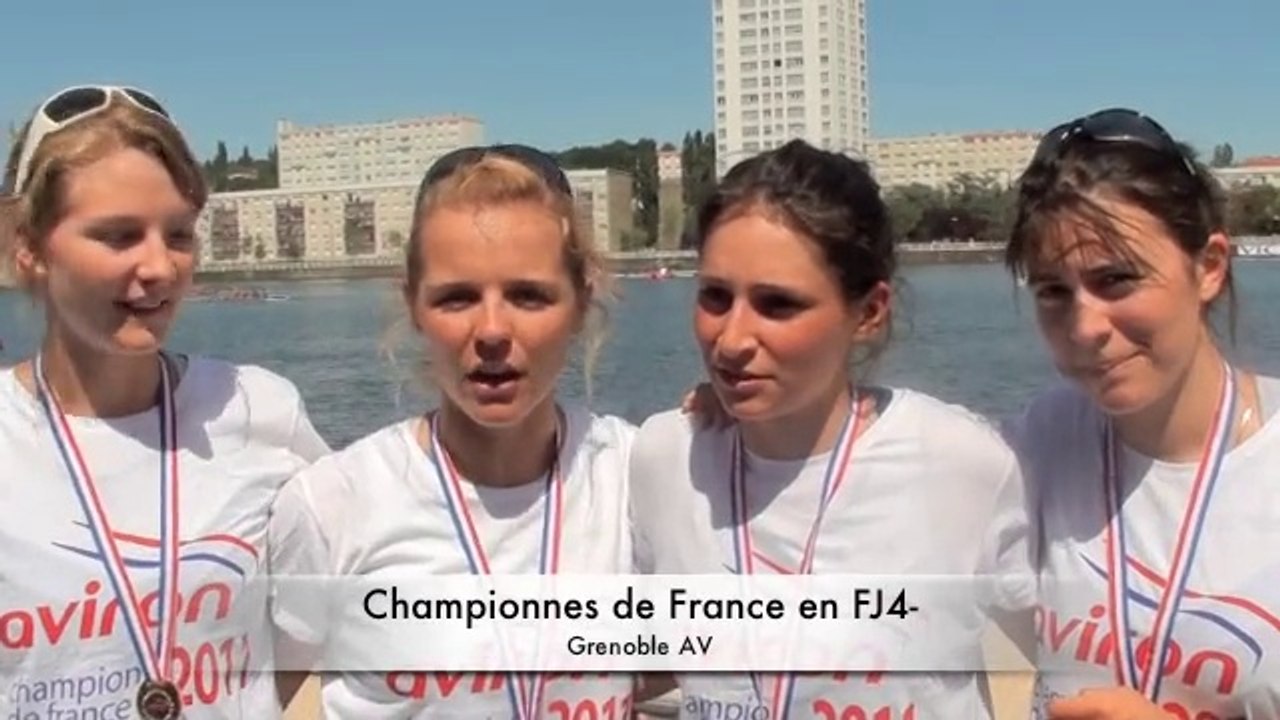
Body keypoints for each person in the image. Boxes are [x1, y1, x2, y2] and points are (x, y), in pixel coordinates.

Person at [628, 139, 1035, 719]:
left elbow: (1070, 661)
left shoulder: (964, 464)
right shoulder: (662, 456)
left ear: (868, 313)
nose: (732, 339)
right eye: (715, 297)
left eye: (777, 305)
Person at [268, 144, 637, 717]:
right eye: (457, 297)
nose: (491, 330)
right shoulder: (332, 504)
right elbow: (264, 692)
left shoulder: (638, 479)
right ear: (414, 303)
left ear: (581, 302)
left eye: (528, 295)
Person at [0, 86, 329, 719]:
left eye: (177, 234)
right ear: (30, 248)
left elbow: (329, 644)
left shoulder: (259, 410)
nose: (160, 266)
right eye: (120, 236)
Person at [1004, 108, 1280, 720]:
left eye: (1117, 279)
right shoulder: (1039, 443)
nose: (1085, 327)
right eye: (1054, 291)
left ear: (1208, 267)